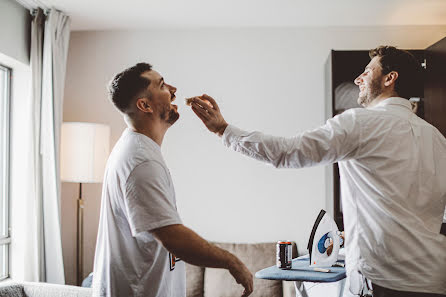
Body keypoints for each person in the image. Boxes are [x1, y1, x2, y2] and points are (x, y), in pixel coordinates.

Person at [188, 46, 446, 296]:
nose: (358, 79)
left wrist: (224, 130)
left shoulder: (360, 123)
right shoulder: (437, 138)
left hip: (387, 280)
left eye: (367, 71)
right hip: (435, 277)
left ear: (390, 78)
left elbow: (288, 152)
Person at [92, 63, 253, 297]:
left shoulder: (136, 149)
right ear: (144, 105)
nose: (174, 90)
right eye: (162, 85)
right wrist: (233, 262)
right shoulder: (141, 161)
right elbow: (173, 237)